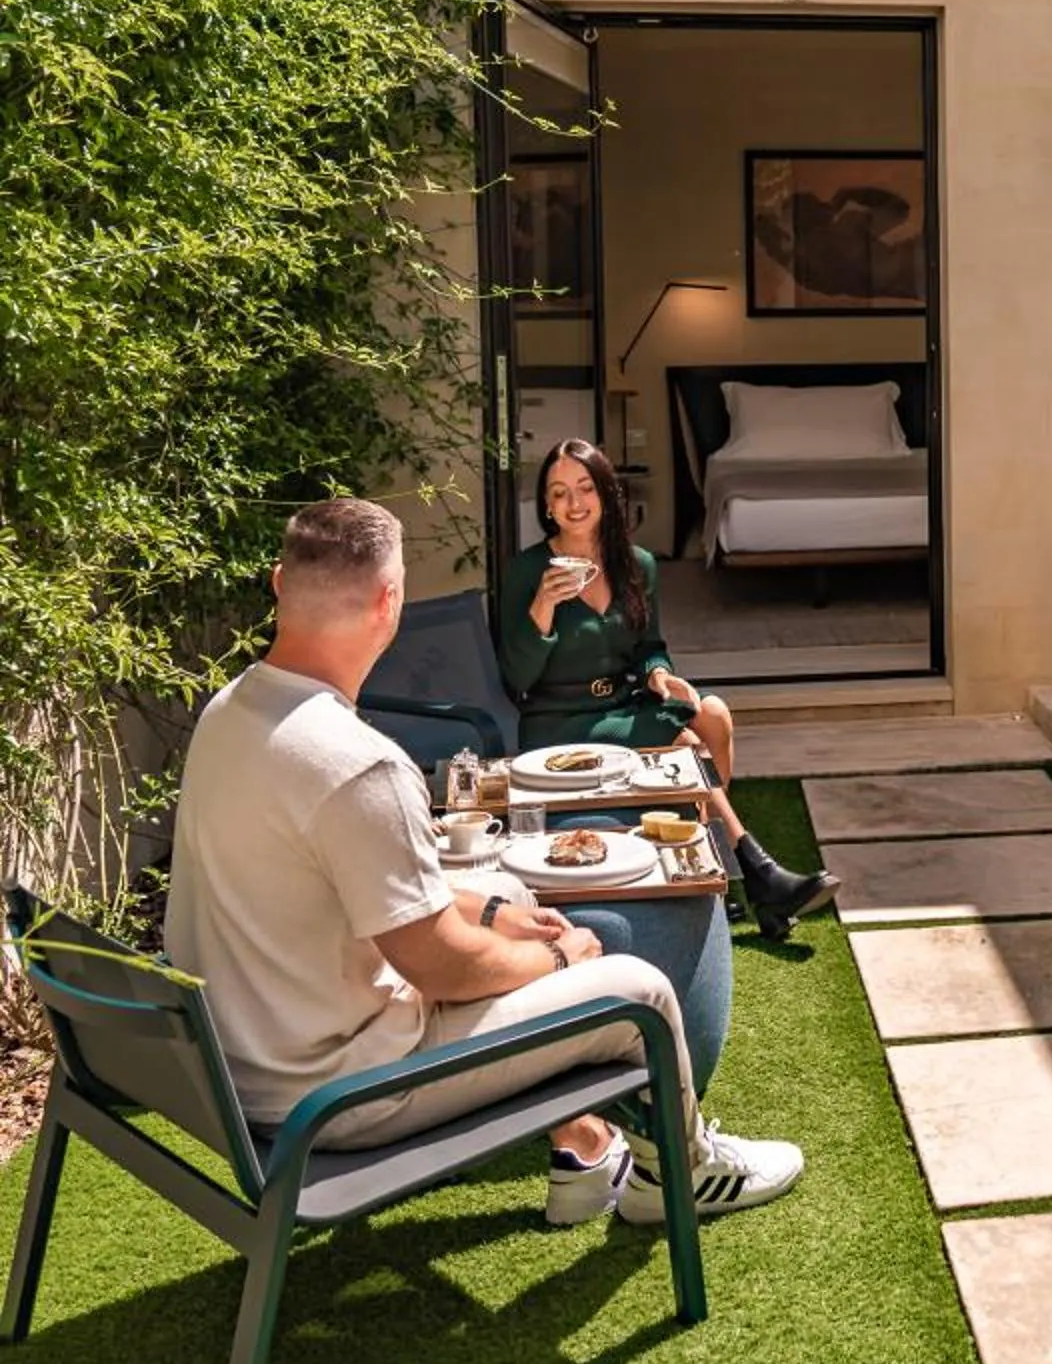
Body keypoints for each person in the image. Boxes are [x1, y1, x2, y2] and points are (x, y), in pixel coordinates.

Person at [164, 498, 803, 1225]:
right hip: (338, 1094)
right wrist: (562, 960)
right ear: (389, 602)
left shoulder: (227, 714)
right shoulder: (358, 766)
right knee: (635, 989)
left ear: (280, 583)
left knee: (497, 883)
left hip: (248, 1062)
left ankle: (586, 1146)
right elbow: (439, 968)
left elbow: (364, 891)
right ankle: (680, 1176)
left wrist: (497, 911)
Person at [498, 438, 837, 943]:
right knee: (686, 746)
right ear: (546, 505)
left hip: (622, 701)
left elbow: (648, 646)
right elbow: (517, 678)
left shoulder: (637, 565)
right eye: (559, 492)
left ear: (606, 494)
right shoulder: (528, 571)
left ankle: (723, 881)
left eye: (585, 488)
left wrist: (659, 674)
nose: (574, 503)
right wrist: (543, 607)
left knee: (714, 714)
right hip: (557, 715)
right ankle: (753, 872)